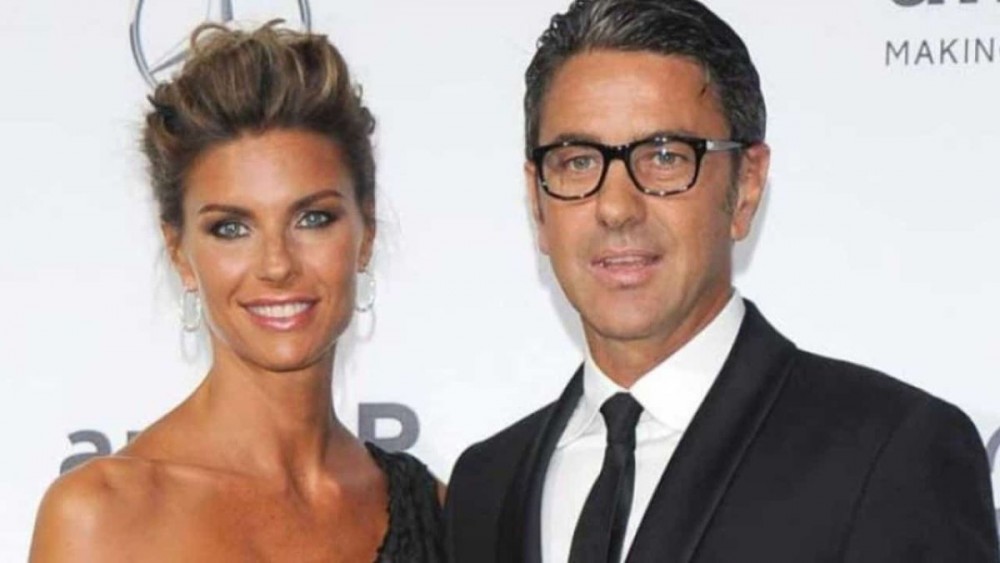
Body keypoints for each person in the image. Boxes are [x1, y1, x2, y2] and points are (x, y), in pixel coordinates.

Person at [445, 1, 998, 561]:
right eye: (578, 161)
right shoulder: (484, 486)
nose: (615, 208)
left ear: (746, 186)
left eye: (665, 156)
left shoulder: (888, 455)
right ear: (537, 201)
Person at [29, 22, 443, 562]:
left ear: (366, 235)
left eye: (313, 218)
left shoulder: (439, 514)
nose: (277, 265)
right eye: (231, 228)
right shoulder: (101, 517)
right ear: (180, 252)